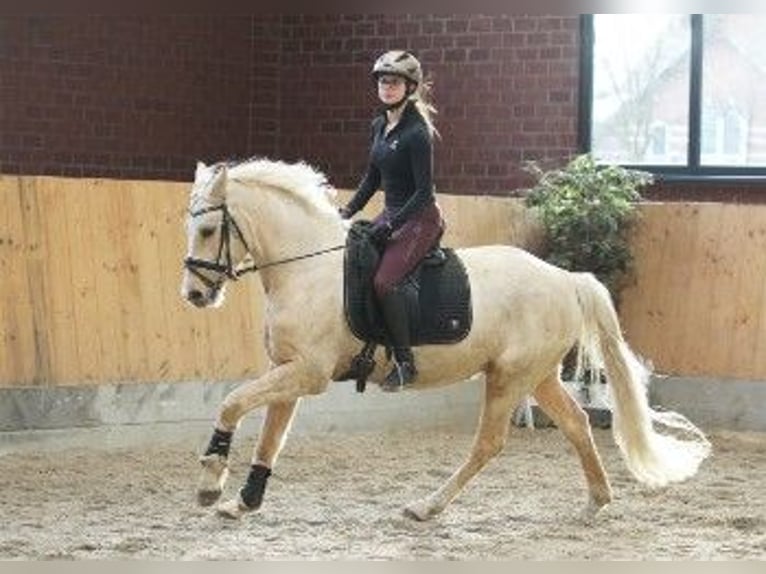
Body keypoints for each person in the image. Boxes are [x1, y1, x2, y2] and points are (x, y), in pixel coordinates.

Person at [339, 50, 445, 392]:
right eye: (383, 81)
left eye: (394, 82)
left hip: (420, 217)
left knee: (385, 282)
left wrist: (390, 224)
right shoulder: (379, 126)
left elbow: (424, 193)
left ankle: (404, 362)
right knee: (356, 258)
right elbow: (372, 179)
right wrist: (347, 211)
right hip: (394, 212)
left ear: (409, 87)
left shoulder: (417, 134)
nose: (386, 87)